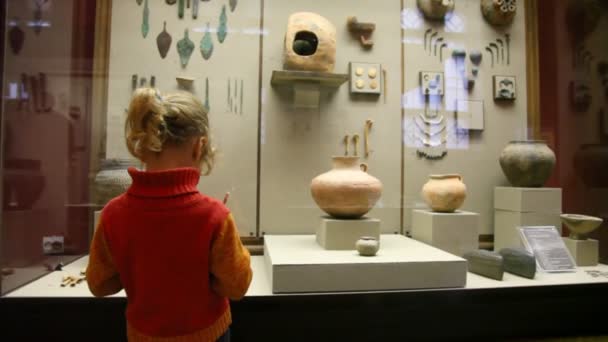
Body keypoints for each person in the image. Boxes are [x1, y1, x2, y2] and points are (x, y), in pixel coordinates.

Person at [86, 88, 252, 342]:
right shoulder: (214, 215)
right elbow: (237, 285)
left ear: (144, 143)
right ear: (200, 147)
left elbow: (99, 284)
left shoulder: (113, 214)